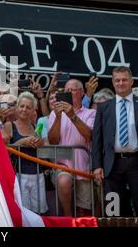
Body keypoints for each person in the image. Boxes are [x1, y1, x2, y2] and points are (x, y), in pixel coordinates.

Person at [92, 66, 138, 217]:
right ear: (112, 82)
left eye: (124, 80)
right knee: (114, 211)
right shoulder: (103, 107)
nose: (120, 83)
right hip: (112, 165)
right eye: (117, 80)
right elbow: (96, 139)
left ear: (132, 81)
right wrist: (97, 165)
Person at [48, 79, 96, 216]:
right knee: (64, 181)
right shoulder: (54, 114)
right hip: (62, 165)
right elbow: (53, 140)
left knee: (83, 211)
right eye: (66, 91)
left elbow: (89, 135)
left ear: (82, 93)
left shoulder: (91, 113)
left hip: (84, 168)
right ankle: (68, 219)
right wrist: (58, 117)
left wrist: (72, 115)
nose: (69, 93)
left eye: (73, 90)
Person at [1, 91, 48, 215]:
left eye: (28, 107)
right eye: (21, 106)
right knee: (23, 213)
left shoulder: (36, 127)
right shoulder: (9, 125)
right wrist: (22, 141)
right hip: (18, 175)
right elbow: (5, 152)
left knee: (38, 213)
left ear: (33, 110)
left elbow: (44, 146)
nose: (24, 109)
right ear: (17, 108)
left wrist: (40, 142)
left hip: (37, 174)